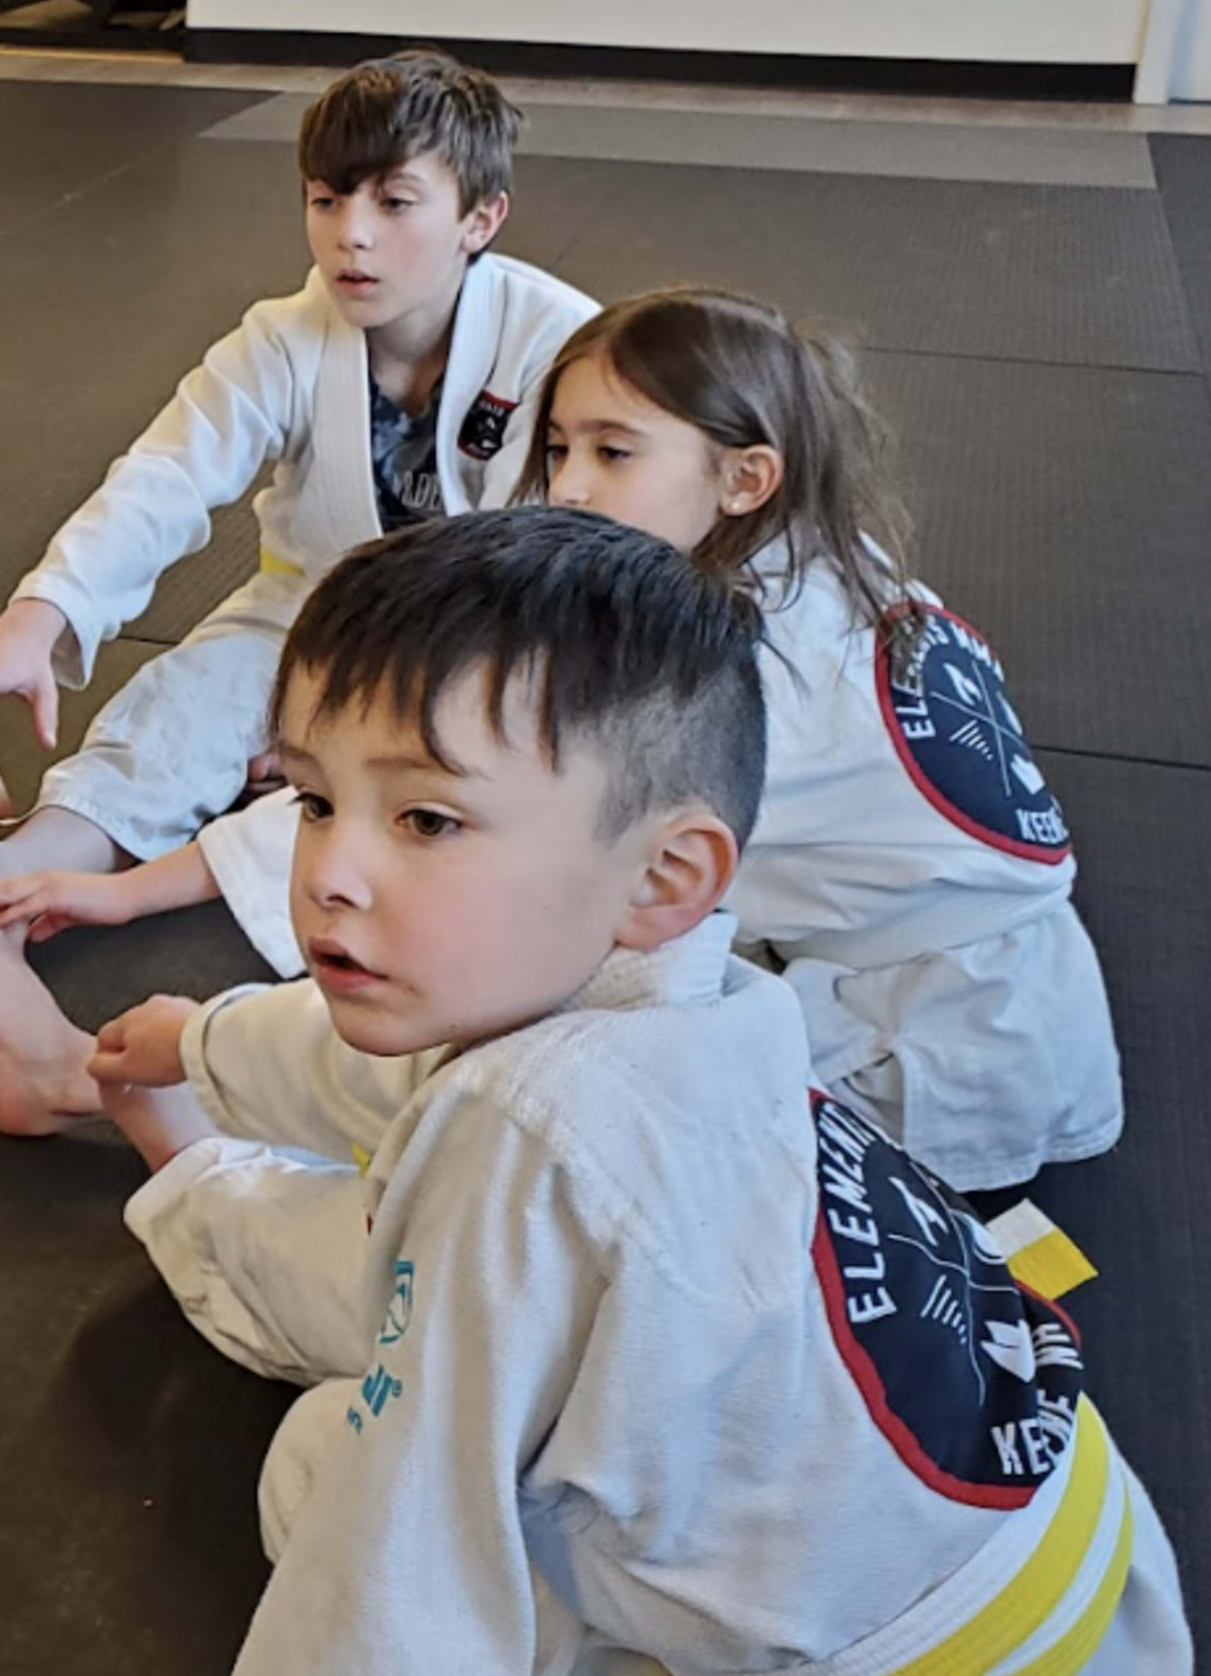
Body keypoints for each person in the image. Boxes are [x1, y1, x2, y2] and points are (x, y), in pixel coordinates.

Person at [0, 510, 1185, 1676]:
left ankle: (181, 1172)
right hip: (1084, 1615)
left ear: (664, 871)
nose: (330, 872)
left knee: (333, 1466)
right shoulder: (705, 997)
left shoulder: (534, 1144)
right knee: (431, 1308)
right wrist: (199, 1045)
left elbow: (402, 1591)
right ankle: (184, 1148)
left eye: (429, 822)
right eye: (313, 797)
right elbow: (386, 1058)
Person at [125, 289, 1115, 1188]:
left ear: (745, 477)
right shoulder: (832, 571)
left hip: (940, 1047)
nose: (569, 485)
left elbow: (505, 822)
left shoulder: (762, 675)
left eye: (614, 451)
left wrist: (139, 891)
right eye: (558, 449)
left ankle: (215, 1128)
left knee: (530, 1051)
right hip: (988, 989)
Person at [0, 51, 594, 976]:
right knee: (189, 698)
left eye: (394, 201)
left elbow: (569, 561)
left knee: (421, 784)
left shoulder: (562, 343)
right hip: (311, 617)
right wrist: (36, 619)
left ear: (480, 217)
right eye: (326, 200)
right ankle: (15, 866)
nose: (352, 237)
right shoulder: (285, 337)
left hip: (492, 650)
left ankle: (293, 780)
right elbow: (166, 477)